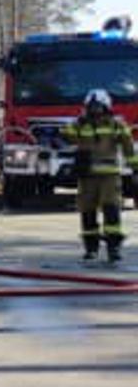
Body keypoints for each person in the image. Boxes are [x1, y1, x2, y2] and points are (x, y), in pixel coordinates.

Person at [61, 89, 135, 262]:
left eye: (98, 106)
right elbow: (67, 135)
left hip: (109, 177)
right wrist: (74, 124)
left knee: (111, 209)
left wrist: (135, 167)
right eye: (91, 107)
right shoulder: (80, 124)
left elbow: (128, 147)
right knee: (87, 211)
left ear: (106, 106)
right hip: (87, 177)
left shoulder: (116, 125)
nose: (95, 110)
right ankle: (91, 248)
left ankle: (113, 248)